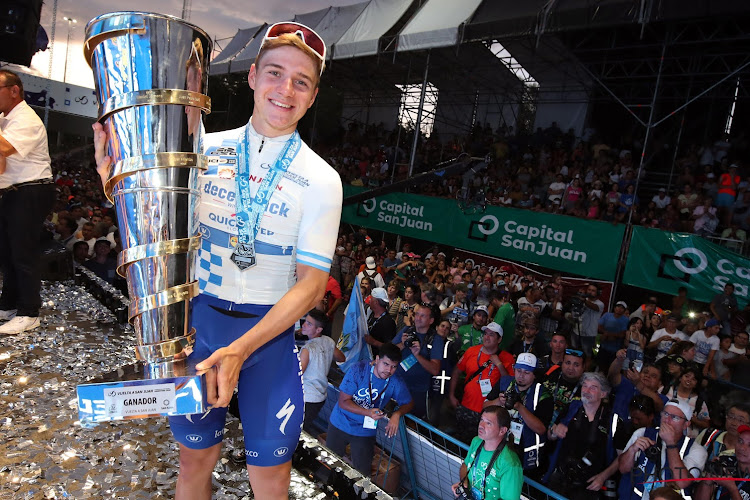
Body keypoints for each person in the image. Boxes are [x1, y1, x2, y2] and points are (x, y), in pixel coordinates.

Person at [94, 23, 343, 499]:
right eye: (275, 73)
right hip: (199, 329)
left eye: (301, 81)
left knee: (270, 482)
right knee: (194, 463)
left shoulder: (322, 179)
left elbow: (312, 287)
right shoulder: (205, 149)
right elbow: (161, 227)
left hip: (268, 341)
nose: (285, 90)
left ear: (312, 96)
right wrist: (120, 186)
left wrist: (241, 349)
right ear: (251, 76)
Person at [0, 70, 56, 334]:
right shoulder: (6, 119)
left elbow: (5, 149)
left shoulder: (25, 119)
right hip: (13, 190)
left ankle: (29, 311)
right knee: (9, 252)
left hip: (31, 190)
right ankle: (10, 304)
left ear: (14, 90)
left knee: (23, 252)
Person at [327, 343, 414, 475]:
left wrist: (397, 414)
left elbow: (408, 403)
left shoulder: (396, 381)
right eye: (385, 364)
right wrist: (367, 412)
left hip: (365, 431)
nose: (389, 371)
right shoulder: (359, 369)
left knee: (362, 473)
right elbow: (343, 402)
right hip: (340, 422)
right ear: (377, 359)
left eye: (393, 367)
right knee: (330, 462)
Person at [544, 372, 626, 499]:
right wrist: (555, 431)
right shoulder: (571, 408)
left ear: (603, 394)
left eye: (593, 387)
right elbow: (550, 436)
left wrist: (603, 476)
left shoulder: (613, 420)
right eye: (585, 386)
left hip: (590, 485)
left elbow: (622, 457)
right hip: (561, 478)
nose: (587, 390)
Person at [618, 399, 708, 500]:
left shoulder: (697, 450)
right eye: (665, 414)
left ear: (686, 424)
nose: (667, 420)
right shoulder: (643, 433)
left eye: (675, 417)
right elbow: (622, 469)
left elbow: (682, 482)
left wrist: (671, 444)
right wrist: (632, 450)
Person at [485, 352, 554, 476]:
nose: (521, 376)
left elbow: (541, 429)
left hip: (525, 452)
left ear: (534, 375)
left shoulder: (544, 395)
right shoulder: (505, 382)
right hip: (500, 444)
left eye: (527, 373)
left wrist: (520, 407)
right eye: (518, 371)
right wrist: (498, 401)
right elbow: (484, 407)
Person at [449, 321, 513, 443]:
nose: (487, 337)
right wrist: (451, 395)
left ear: (499, 340)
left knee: (482, 445)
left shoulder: (507, 358)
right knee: (460, 442)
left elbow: (509, 384)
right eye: (485, 333)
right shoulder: (472, 351)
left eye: (492, 335)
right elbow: (456, 371)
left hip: (490, 413)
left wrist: (499, 364)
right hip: (466, 407)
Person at [451, 406, 523, 500]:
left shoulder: (510, 464)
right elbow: (465, 465)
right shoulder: (476, 441)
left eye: (488, 423)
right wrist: (464, 482)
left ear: (502, 430)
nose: (481, 425)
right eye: (481, 420)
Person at [393, 303, 445, 419]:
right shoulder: (406, 330)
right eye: (417, 314)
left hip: (418, 391)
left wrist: (417, 355)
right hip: (397, 384)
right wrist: (402, 344)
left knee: (413, 423)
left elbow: (435, 369)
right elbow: (388, 352)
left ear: (431, 320)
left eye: (423, 316)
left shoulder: (435, 339)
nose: (418, 318)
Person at [299, 310, 344, 432]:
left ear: (319, 329)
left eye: (309, 324)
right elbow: (341, 357)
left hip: (306, 397)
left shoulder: (308, 349)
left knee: (298, 429)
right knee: (305, 426)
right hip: (320, 396)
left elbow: (298, 374)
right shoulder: (328, 341)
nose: (303, 325)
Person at [608, 349, 668, 423]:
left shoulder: (662, 399)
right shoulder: (627, 385)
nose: (647, 376)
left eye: (653, 376)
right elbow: (612, 376)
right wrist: (619, 360)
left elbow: (659, 405)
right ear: (639, 373)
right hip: (615, 427)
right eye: (645, 372)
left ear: (660, 384)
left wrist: (638, 384)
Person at [694, 423, 750, 500]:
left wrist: (732, 488)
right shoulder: (726, 461)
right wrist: (709, 476)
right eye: (740, 441)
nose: (742, 448)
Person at [570, 284, 604, 361]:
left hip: (589, 334)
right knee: (574, 353)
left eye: (593, 291)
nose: (590, 292)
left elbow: (594, 307)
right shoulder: (582, 299)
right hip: (576, 331)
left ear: (597, 293)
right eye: (589, 290)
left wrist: (584, 300)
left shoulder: (600, 303)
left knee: (587, 355)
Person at [364, 287, 398, 357]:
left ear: (376, 302)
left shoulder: (388, 322)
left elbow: (390, 348)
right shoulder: (372, 313)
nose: (369, 301)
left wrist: (374, 342)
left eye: (371, 299)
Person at [598, 300, 630, 373]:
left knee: (610, 370)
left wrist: (608, 334)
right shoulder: (607, 315)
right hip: (603, 347)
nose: (619, 309)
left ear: (624, 310)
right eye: (618, 306)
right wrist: (606, 333)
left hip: (615, 350)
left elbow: (622, 334)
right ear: (615, 307)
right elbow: (599, 326)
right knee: (601, 367)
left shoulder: (625, 320)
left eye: (622, 308)